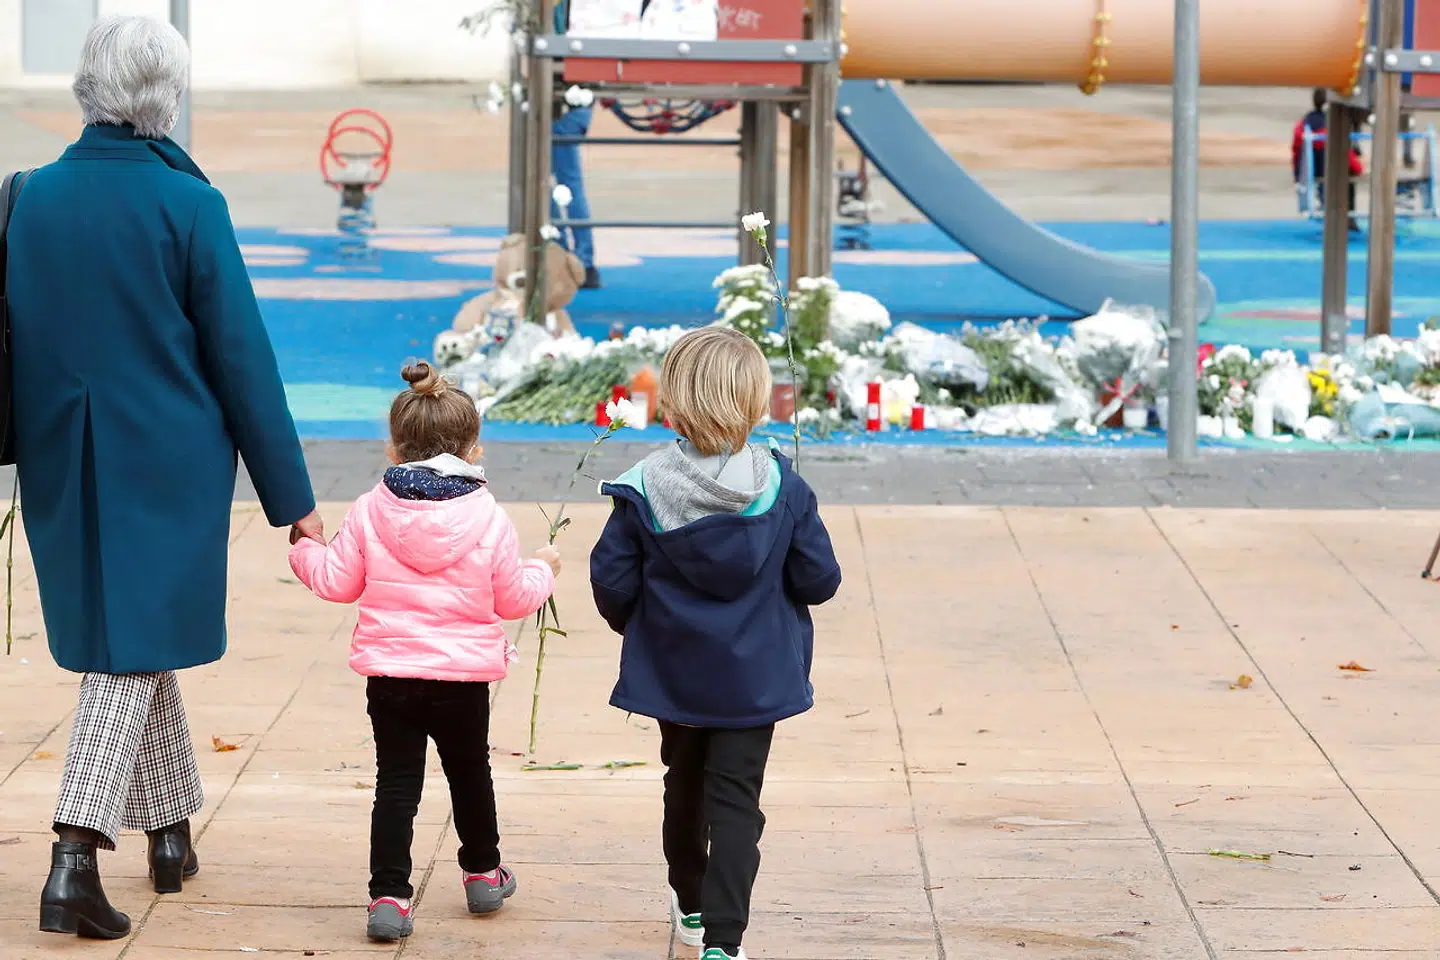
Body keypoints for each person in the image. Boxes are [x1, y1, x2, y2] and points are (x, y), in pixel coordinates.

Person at [4, 16, 321, 941]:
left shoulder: (23, 198)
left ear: (84, 92)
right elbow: (242, 360)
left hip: (63, 454)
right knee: (130, 650)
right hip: (170, 464)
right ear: (168, 101)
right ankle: (73, 851)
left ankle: (170, 830)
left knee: (133, 635)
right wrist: (293, 503)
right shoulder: (192, 207)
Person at [589, 327, 842, 960]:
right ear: (759, 405)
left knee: (684, 781)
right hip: (755, 677)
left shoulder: (644, 485)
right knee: (736, 802)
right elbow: (820, 579)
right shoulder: (782, 486)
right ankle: (725, 944)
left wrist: (641, 626)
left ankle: (692, 903)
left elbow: (611, 578)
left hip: (675, 670)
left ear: (671, 402)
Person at [289, 361, 560, 943]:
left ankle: (389, 896)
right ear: (474, 449)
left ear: (392, 447)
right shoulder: (488, 516)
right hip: (462, 679)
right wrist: (545, 568)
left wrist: (305, 549)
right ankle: (484, 875)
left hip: (392, 676)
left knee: (397, 782)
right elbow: (513, 599)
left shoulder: (369, 509)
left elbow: (338, 582)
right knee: (470, 772)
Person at [552, 0, 601, 289]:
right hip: (573, 94)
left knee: (560, 183)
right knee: (562, 182)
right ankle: (575, 258)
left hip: (565, 96)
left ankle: (574, 259)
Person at [1292, 87, 1363, 232]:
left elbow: (1296, 152)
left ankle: (1331, 209)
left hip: (1312, 172)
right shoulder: (1334, 127)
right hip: (1335, 172)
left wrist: (1298, 176)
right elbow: (1348, 156)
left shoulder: (1303, 126)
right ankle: (1349, 217)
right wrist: (1358, 168)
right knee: (1349, 177)